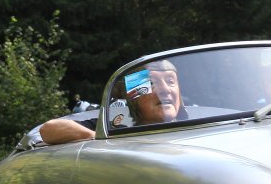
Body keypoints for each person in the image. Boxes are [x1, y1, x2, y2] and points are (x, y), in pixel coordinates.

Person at [23, 59, 186, 148]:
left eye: (171, 82)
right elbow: (49, 129)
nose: (165, 90)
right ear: (133, 98)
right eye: (152, 83)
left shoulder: (196, 125)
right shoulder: (114, 126)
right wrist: (99, 138)